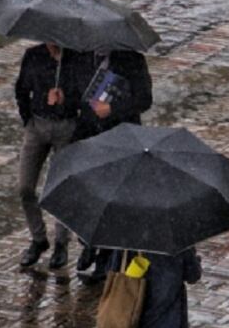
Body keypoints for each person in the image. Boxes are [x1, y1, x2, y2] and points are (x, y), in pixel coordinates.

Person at [73, 49, 153, 282]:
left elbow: (144, 100)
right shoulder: (79, 57)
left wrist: (112, 109)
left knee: (112, 202)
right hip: (89, 139)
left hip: (121, 140)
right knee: (87, 199)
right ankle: (89, 242)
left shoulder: (132, 60)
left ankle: (104, 260)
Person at [14, 41, 82, 269]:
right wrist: (29, 118)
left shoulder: (76, 59)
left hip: (66, 128)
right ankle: (38, 238)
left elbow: (85, 96)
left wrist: (66, 100)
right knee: (25, 186)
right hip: (37, 126)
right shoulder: (34, 56)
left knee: (60, 187)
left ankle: (61, 242)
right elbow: (21, 89)